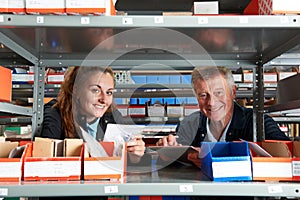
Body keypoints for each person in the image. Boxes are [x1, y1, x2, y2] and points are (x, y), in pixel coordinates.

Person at [156, 66, 290, 163]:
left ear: (233, 92)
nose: (212, 102)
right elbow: (176, 166)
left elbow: (287, 154)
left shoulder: (258, 123)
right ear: (196, 97)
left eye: (219, 93)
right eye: (203, 95)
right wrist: (167, 155)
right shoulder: (189, 124)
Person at [41, 66, 145, 164]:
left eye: (109, 92)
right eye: (95, 90)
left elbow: (136, 159)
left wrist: (135, 157)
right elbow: (44, 156)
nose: (103, 100)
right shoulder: (55, 113)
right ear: (76, 90)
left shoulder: (112, 116)